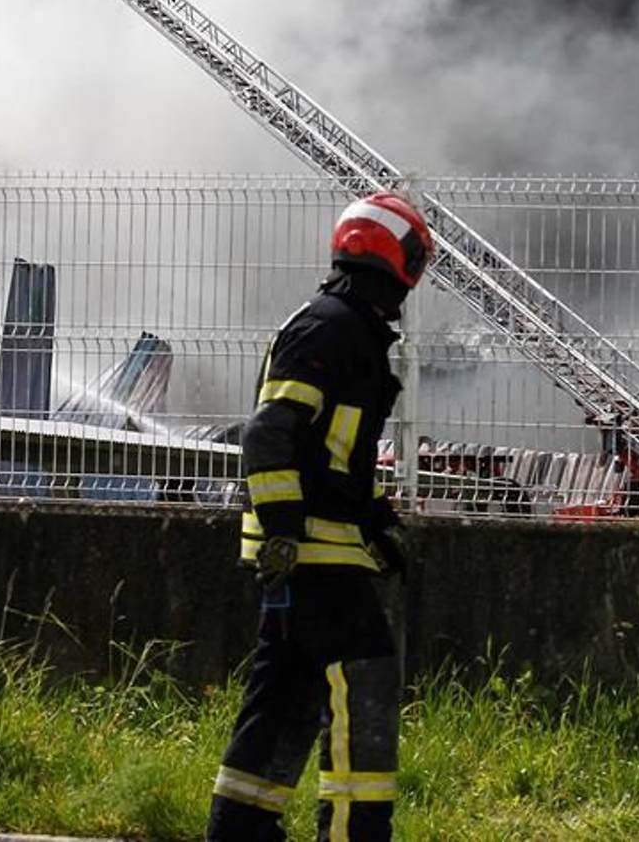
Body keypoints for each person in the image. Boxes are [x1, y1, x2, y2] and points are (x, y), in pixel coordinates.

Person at [208, 191, 435, 842]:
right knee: (365, 679)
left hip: (316, 544)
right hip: (310, 549)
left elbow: (329, 454)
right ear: (399, 258)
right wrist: (284, 531)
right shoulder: (330, 328)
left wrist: (374, 521)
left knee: (285, 696)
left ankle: (239, 830)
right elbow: (269, 433)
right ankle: (354, 831)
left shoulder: (344, 326)